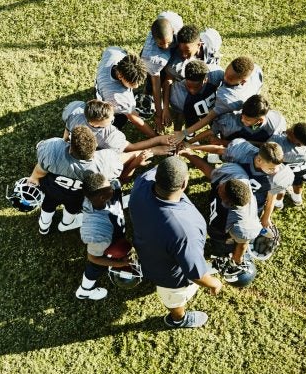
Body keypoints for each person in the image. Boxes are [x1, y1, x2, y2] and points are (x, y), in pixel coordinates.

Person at [130, 156, 223, 329]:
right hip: (170, 277)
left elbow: (159, 170)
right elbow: (196, 273)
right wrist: (214, 283)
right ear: (184, 184)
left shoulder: (140, 183)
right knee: (174, 299)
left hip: (146, 249)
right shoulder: (184, 231)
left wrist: (172, 160)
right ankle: (178, 319)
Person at [29, 126, 144, 235]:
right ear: (96, 146)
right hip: (77, 195)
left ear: (70, 149)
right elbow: (115, 172)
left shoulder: (53, 151)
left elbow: (40, 169)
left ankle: (44, 227)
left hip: (52, 190)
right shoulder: (106, 163)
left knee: (48, 205)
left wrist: (33, 178)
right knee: (72, 209)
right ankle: (65, 224)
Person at [175, 56, 264, 141]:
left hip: (241, 118)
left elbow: (209, 118)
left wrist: (184, 133)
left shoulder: (227, 97)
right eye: (225, 73)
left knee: (223, 121)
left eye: (229, 78)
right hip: (252, 108)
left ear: (243, 81)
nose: (224, 78)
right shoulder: (256, 70)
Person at [75, 171, 133, 301]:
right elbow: (93, 258)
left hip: (112, 234)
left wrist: (137, 162)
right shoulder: (97, 232)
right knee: (96, 266)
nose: (112, 186)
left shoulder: (102, 193)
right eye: (109, 188)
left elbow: (120, 180)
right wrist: (118, 264)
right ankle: (85, 290)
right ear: (102, 197)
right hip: (105, 243)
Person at [61, 99, 175, 155]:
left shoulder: (74, 111)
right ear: (95, 124)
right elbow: (132, 147)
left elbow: (67, 128)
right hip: (101, 146)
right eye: (110, 119)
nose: (113, 119)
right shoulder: (110, 137)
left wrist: (64, 141)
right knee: (123, 117)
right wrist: (159, 139)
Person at [95, 46, 155, 137]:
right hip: (107, 107)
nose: (137, 86)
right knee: (120, 119)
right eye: (132, 84)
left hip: (99, 87)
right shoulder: (120, 98)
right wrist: (156, 137)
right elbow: (137, 121)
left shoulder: (113, 53)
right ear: (120, 76)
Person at [185, 94, 286, 147]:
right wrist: (189, 142)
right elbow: (212, 131)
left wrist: (223, 142)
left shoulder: (276, 125)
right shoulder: (231, 120)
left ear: (260, 119)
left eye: (247, 119)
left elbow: (267, 147)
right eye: (242, 115)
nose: (242, 120)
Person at [167, 59, 224, 131]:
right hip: (192, 109)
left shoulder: (217, 74)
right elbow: (179, 116)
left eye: (196, 87)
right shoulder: (177, 95)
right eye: (189, 86)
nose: (192, 91)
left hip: (211, 105)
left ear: (205, 79)